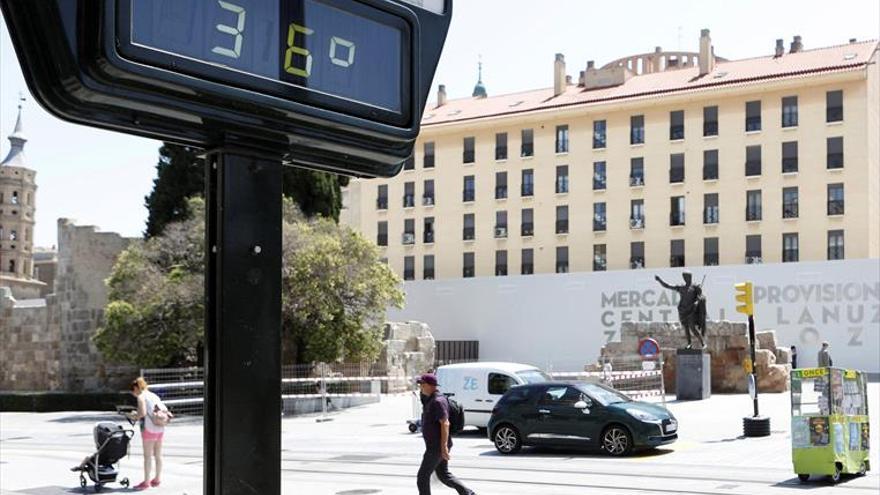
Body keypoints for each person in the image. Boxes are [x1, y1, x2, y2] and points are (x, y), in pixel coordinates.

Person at [416, 373, 475, 495]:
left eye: (422, 384)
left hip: (437, 447)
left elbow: (445, 423)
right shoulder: (432, 399)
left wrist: (443, 447)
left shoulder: (438, 401)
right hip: (437, 446)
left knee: (422, 477)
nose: (420, 387)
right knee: (443, 475)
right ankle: (468, 493)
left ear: (430, 385)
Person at [127, 377, 168, 490]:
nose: (133, 394)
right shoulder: (154, 395)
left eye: (133, 391)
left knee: (147, 456)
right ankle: (157, 479)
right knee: (158, 455)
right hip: (160, 427)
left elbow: (142, 413)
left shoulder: (141, 397)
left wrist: (134, 415)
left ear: (136, 388)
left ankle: (146, 482)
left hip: (149, 428)